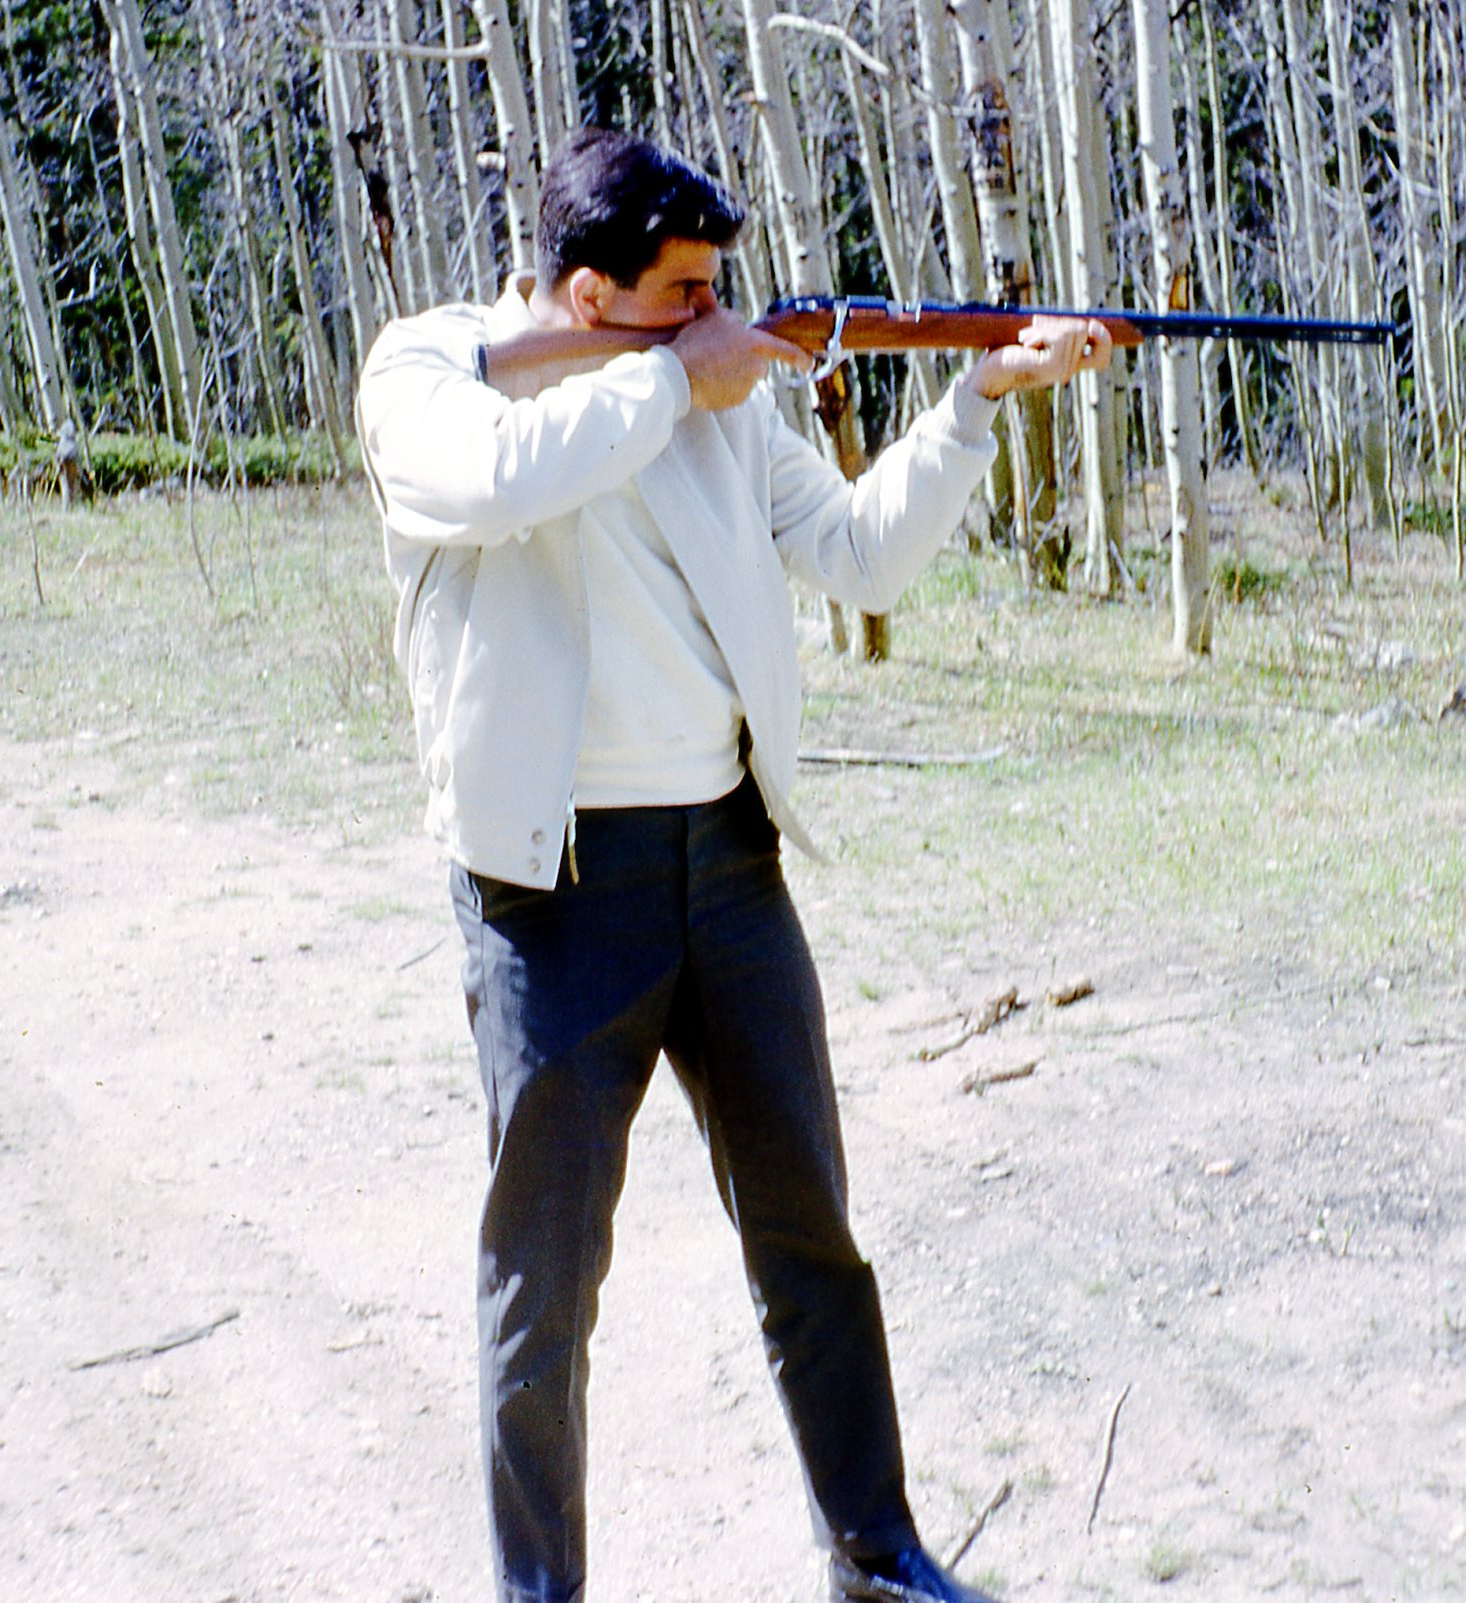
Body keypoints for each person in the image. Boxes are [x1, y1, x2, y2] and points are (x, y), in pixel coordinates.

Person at [357, 128, 1109, 1603]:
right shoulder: (431, 369)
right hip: (552, 890)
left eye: (717, 291)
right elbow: (495, 482)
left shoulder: (712, 396)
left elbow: (859, 557)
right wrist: (671, 378)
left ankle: (875, 1554)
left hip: (728, 858)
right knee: (542, 1284)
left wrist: (974, 404)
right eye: (684, 293)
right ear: (588, 295)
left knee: (808, 1231)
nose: (716, 317)